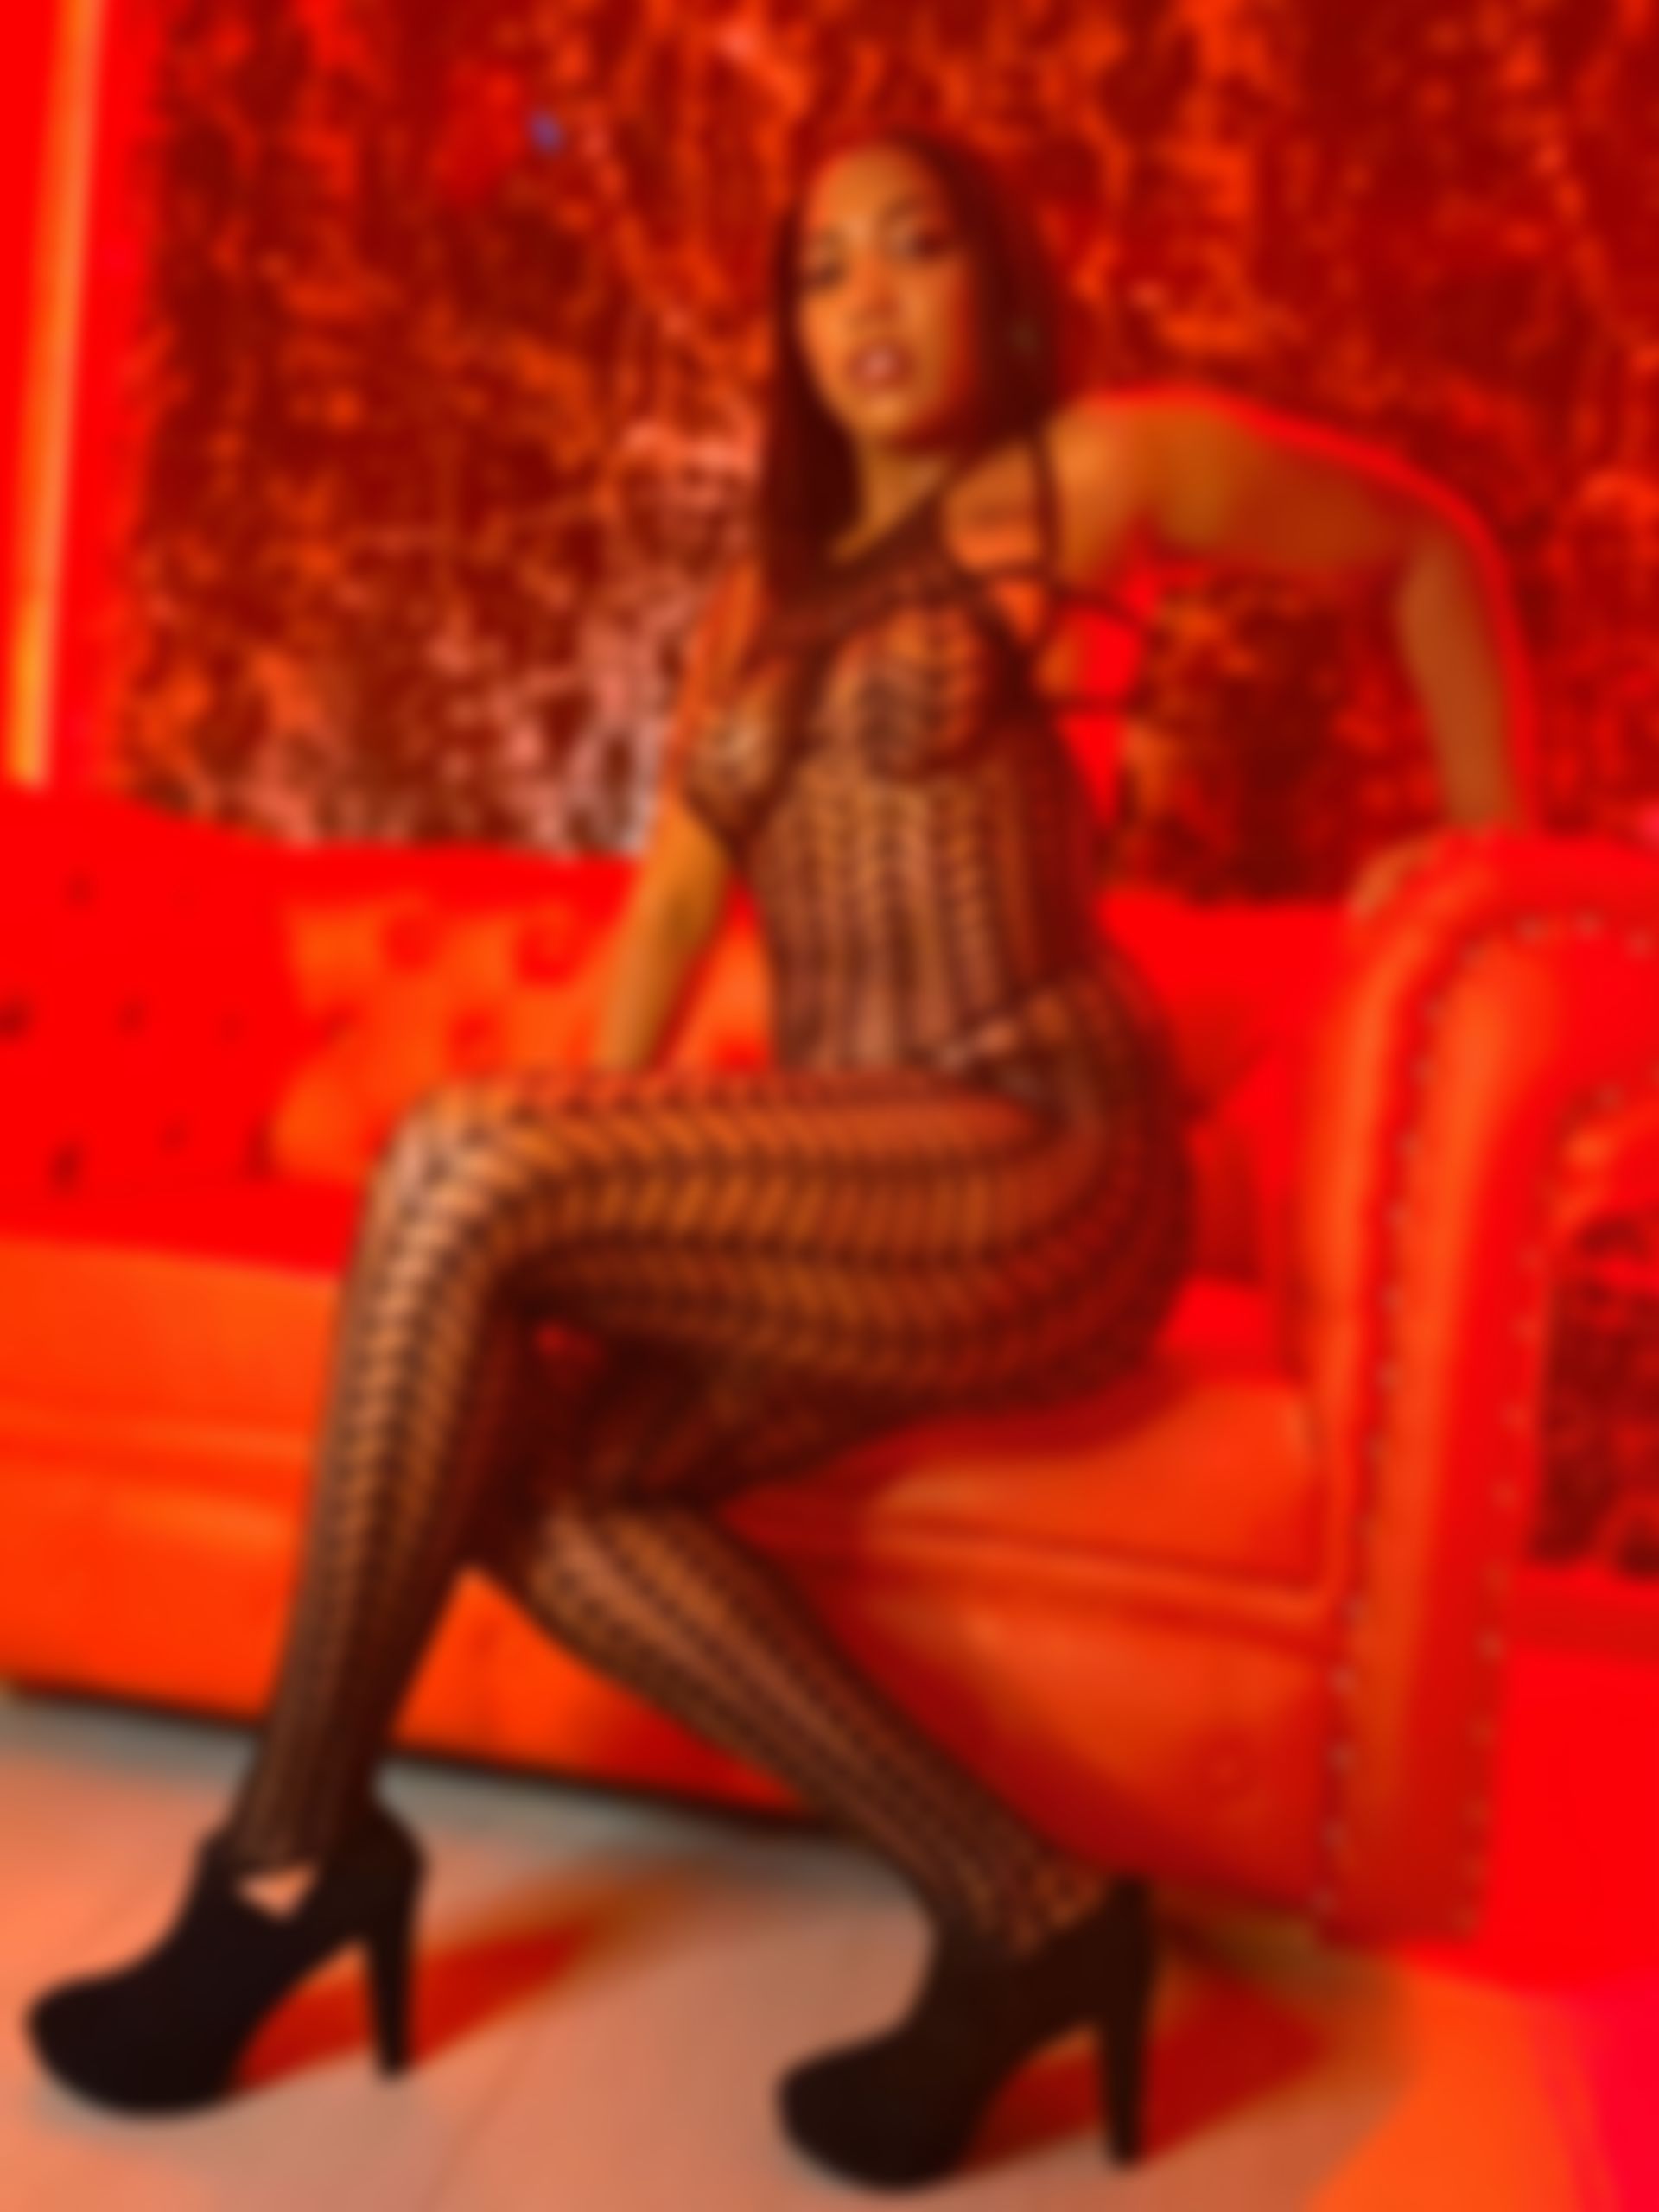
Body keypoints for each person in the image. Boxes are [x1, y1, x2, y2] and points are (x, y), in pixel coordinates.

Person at [23, 118, 1535, 2187]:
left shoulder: (1094, 475)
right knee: (534, 1470)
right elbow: (665, 913)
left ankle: (287, 1859)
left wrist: (1484, 869)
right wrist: (543, 1203)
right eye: (823, 271)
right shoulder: (761, 593)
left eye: (914, 249)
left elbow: (1428, 548)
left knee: (461, 1163)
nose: (867, 301)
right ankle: (1027, 1906)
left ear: (997, 284)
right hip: (864, 1186)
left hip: (1048, 1153)